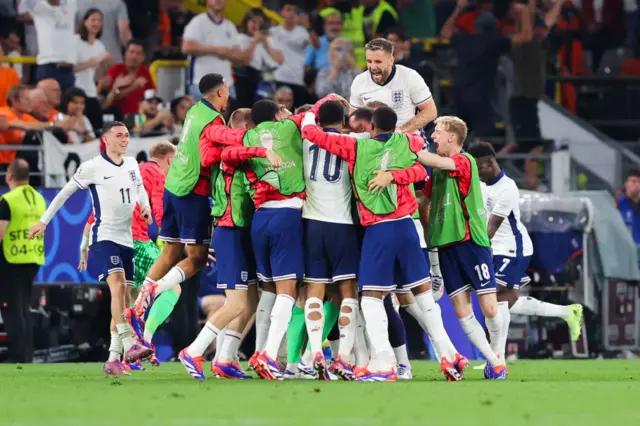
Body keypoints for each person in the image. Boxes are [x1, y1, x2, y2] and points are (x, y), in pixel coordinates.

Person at [301, 105, 461, 382]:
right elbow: (420, 171)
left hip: (378, 230)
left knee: (372, 299)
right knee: (423, 297)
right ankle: (449, 355)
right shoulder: (408, 141)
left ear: (372, 128)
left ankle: (383, 364)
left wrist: (313, 109)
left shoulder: (354, 147)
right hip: (407, 227)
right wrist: (396, 174)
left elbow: (311, 133)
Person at [203, 94, 338, 380]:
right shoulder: (290, 126)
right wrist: (330, 97)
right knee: (290, 293)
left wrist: (259, 152)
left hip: (259, 219)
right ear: (278, 114)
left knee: (269, 291)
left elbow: (225, 154)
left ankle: (260, 352)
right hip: (289, 215)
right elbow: (314, 111)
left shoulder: (247, 137)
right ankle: (268, 355)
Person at [28, 121, 153, 375]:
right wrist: (44, 221)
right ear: (105, 139)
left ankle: (112, 359)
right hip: (103, 236)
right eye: (119, 135)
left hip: (126, 239)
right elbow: (64, 193)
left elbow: (139, 188)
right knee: (117, 286)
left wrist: (146, 207)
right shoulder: (92, 167)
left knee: (124, 298)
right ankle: (130, 344)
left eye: (127, 135)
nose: (125, 140)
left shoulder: (131, 165)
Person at [127, 74, 232, 359]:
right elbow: (210, 157)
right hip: (192, 192)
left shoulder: (194, 111)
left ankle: (140, 303)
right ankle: (153, 292)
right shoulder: (214, 121)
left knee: (171, 251)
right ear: (221, 92)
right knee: (197, 258)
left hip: (172, 188)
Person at [179, 108, 282, 380]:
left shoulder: (239, 153)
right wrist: (263, 152)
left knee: (250, 300)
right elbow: (234, 154)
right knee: (236, 304)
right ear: (244, 128)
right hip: (229, 230)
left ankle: (225, 358)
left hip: (243, 231)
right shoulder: (229, 153)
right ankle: (194, 351)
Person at [468, 141, 584, 364]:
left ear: (489, 163)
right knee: (504, 300)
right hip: (496, 249)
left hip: (513, 249)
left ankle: (496, 360)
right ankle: (567, 312)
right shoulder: (482, 184)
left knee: (490, 294)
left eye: (477, 168)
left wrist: (470, 253)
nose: (475, 173)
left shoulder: (507, 188)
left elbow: (490, 229)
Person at [411, 116, 507, 380]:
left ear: (452, 137)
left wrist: (408, 146)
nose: (433, 137)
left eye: (438, 132)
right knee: (462, 312)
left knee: (488, 308)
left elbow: (436, 161)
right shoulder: (439, 169)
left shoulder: (463, 160)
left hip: (471, 242)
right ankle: (494, 364)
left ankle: (498, 353)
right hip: (446, 246)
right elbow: (423, 198)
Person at [127, 141, 178, 365]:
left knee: (129, 298)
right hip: (137, 240)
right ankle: (146, 341)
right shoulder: (157, 173)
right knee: (173, 287)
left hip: (117, 240)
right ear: (169, 159)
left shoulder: (133, 170)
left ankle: (127, 356)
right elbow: (159, 211)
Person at [0, 159, 46, 363]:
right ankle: (26, 353)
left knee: (11, 307)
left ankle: (18, 354)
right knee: (24, 306)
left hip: (11, 257)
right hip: (33, 256)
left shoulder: (8, 200)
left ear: (9, 176)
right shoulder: (39, 199)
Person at [349, 38, 437, 135]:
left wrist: (399, 131)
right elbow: (354, 119)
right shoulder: (359, 81)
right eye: (369, 61)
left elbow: (430, 111)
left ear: (391, 60)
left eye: (378, 62)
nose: (373, 67)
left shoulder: (409, 76)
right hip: (374, 143)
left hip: (407, 141)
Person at [182, 0, 242, 102]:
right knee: (204, 118)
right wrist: (216, 50)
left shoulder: (230, 26)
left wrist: (227, 53)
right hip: (202, 84)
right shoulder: (198, 22)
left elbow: (239, 55)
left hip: (227, 85)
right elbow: (186, 47)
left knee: (227, 118)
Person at [235, 8, 284, 108]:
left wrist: (265, 44)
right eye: (253, 21)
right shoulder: (240, 38)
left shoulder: (267, 40)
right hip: (244, 79)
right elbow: (245, 61)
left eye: (260, 23)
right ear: (247, 22)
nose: (256, 26)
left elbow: (280, 59)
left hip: (264, 80)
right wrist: (255, 42)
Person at [75, 8, 114, 131]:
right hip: (77, 89)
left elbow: (98, 72)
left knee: (97, 127)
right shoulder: (75, 41)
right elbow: (73, 68)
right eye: (93, 20)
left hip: (91, 91)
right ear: (85, 22)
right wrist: (96, 60)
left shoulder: (99, 45)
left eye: (99, 20)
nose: (96, 23)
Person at [23, 0, 77, 90]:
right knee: (47, 103)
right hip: (48, 67)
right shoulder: (38, 5)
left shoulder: (71, 3)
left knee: (68, 103)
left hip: (68, 68)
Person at [270, 1, 315, 107]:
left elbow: (316, 45)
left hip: (297, 80)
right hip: (278, 78)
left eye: (294, 10)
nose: (292, 13)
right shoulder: (273, 31)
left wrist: (308, 27)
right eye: (288, 10)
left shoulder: (302, 32)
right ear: (281, 12)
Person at [100, 39, 156, 117]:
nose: (134, 56)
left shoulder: (145, 71)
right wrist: (134, 86)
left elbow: (152, 95)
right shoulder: (115, 69)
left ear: (143, 57)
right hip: (118, 117)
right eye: (131, 52)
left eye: (138, 53)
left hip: (139, 116)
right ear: (125, 54)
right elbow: (108, 99)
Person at [618, 168, 640, 246]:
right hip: (625, 252)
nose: (637, 185)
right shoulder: (617, 205)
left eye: (639, 182)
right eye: (633, 181)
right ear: (626, 184)